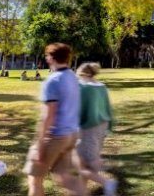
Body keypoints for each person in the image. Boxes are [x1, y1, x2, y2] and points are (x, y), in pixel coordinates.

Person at [23, 43, 86, 196]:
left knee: (35, 179)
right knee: (63, 178)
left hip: (55, 136)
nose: (46, 58)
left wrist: (40, 145)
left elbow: (48, 116)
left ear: (51, 58)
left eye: (47, 55)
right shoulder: (73, 77)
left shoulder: (53, 80)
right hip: (71, 135)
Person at [76, 63, 117, 196]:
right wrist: (109, 127)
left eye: (80, 75)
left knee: (82, 163)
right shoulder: (102, 87)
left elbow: (79, 110)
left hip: (88, 128)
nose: (79, 78)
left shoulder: (84, 88)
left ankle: (107, 183)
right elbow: (108, 108)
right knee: (85, 161)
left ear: (86, 74)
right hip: (102, 126)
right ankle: (81, 191)